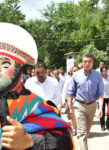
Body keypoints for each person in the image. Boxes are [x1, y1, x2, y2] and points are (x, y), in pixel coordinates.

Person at [0, 22, 73, 150]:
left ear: (18, 71)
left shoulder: (36, 106)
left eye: (5, 64)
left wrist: (30, 141)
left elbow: (64, 141)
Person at [67, 54, 104, 150]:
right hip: (79, 105)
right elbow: (70, 93)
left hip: (92, 106)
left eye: (89, 61)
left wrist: (101, 108)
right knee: (82, 133)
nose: (87, 64)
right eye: (85, 61)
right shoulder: (76, 75)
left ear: (93, 63)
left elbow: (100, 94)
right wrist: (70, 108)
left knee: (87, 132)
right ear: (82, 62)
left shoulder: (97, 75)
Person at [100, 66, 109, 131]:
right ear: (101, 72)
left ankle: (108, 125)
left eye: (105, 70)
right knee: (102, 111)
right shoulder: (99, 79)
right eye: (103, 71)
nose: (104, 72)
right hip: (101, 97)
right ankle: (102, 125)